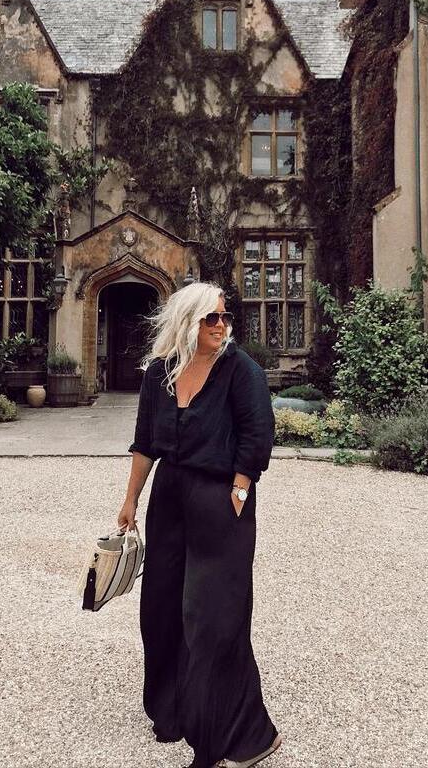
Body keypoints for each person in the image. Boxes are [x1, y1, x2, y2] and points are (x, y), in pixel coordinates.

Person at [118, 281, 282, 768]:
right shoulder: (160, 373)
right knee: (162, 607)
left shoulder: (241, 370)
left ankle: (240, 737)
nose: (221, 325)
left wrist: (239, 490)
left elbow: (258, 437)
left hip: (219, 500)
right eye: (211, 318)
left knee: (212, 617)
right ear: (187, 321)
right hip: (169, 498)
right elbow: (145, 442)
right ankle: (173, 711)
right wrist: (130, 500)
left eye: (225, 317)